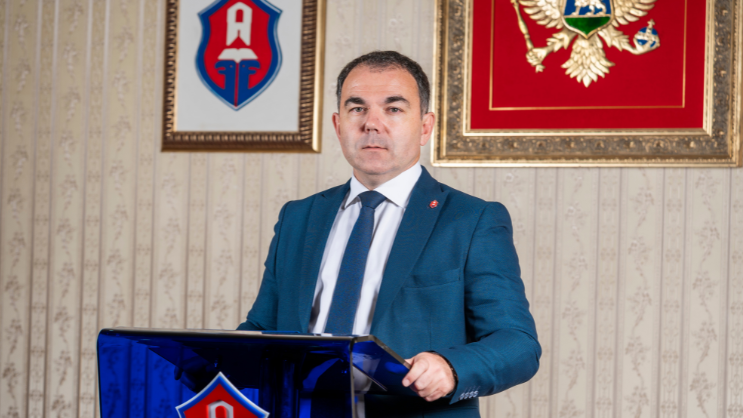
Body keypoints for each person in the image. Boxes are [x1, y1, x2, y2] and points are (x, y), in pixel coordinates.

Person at [238, 51, 541, 417]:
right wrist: (208, 357)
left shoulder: (472, 220)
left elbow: (518, 344)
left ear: (425, 126)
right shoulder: (298, 217)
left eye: (393, 109)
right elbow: (263, 328)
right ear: (337, 124)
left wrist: (450, 367)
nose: (372, 124)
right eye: (357, 108)